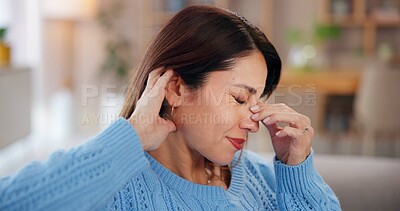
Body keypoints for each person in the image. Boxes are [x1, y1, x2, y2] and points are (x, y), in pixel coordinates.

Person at [0, 5, 341, 211]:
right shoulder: (118, 191)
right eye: (239, 98)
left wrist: (297, 172)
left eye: (258, 101)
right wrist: (130, 137)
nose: (254, 122)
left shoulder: (260, 176)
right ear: (176, 88)